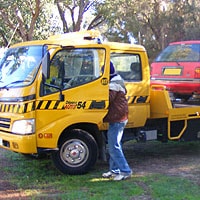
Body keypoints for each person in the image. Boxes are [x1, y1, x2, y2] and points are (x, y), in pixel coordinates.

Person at [102, 62, 132, 181]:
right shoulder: (116, 81)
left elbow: (107, 99)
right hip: (118, 117)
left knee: (114, 146)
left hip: (117, 118)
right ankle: (114, 170)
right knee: (114, 145)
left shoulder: (113, 85)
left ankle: (125, 171)